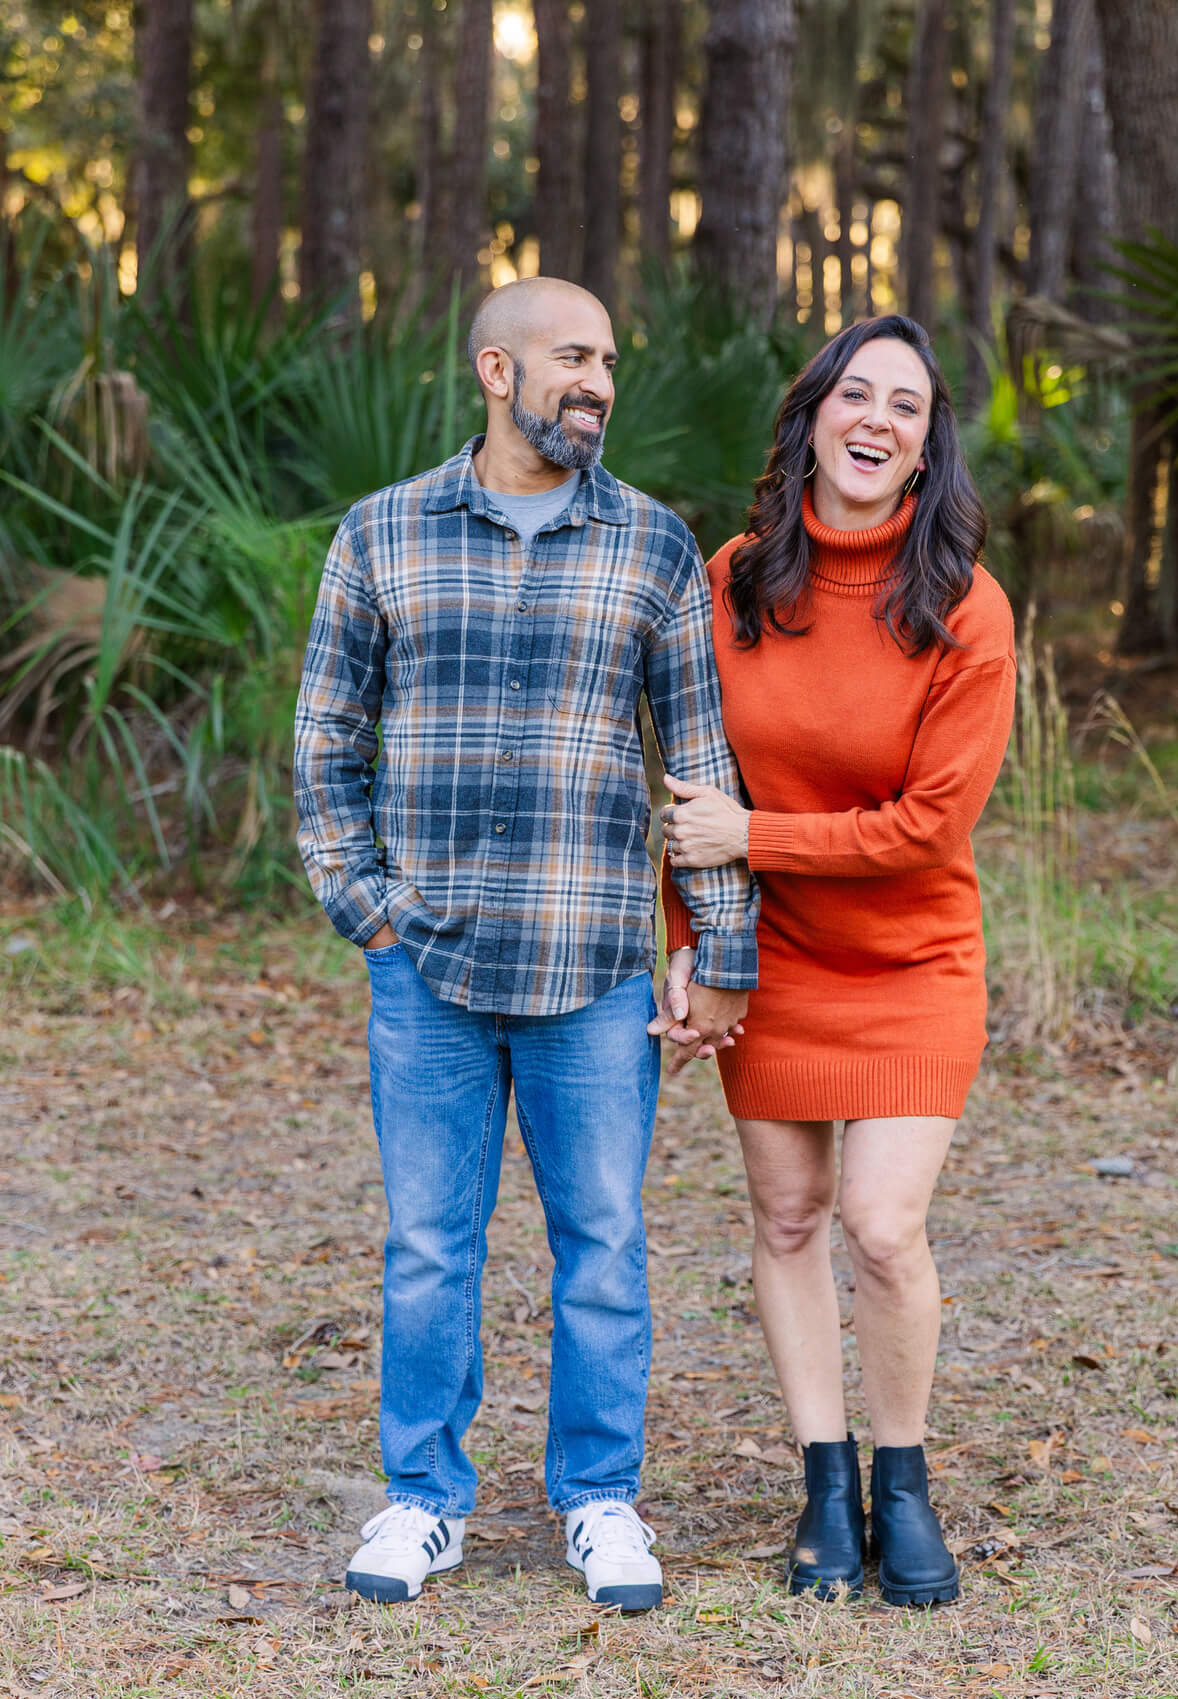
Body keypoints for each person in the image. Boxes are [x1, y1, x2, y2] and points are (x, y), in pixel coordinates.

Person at [294, 277, 757, 1611]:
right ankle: (422, 1499)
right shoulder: (380, 534)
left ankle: (599, 1500)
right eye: (571, 357)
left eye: (608, 359)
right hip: (424, 968)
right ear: (496, 371)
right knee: (429, 1247)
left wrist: (722, 947)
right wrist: (362, 907)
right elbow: (326, 732)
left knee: (601, 1242)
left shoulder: (654, 549)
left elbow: (701, 760)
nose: (597, 382)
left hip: (594, 970)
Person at [651, 313, 1015, 1606]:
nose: (873, 420)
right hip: (776, 956)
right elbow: (691, 788)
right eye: (852, 394)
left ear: (925, 450)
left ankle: (902, 1481)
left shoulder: (963, 608)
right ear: (810, 419)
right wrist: (693, 946)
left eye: (903, 406)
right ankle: (822, 1481)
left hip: (914, 954)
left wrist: (758, 833)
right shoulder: (733, 580)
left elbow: (929, 827)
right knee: (790, 1217)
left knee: (880, 1220)